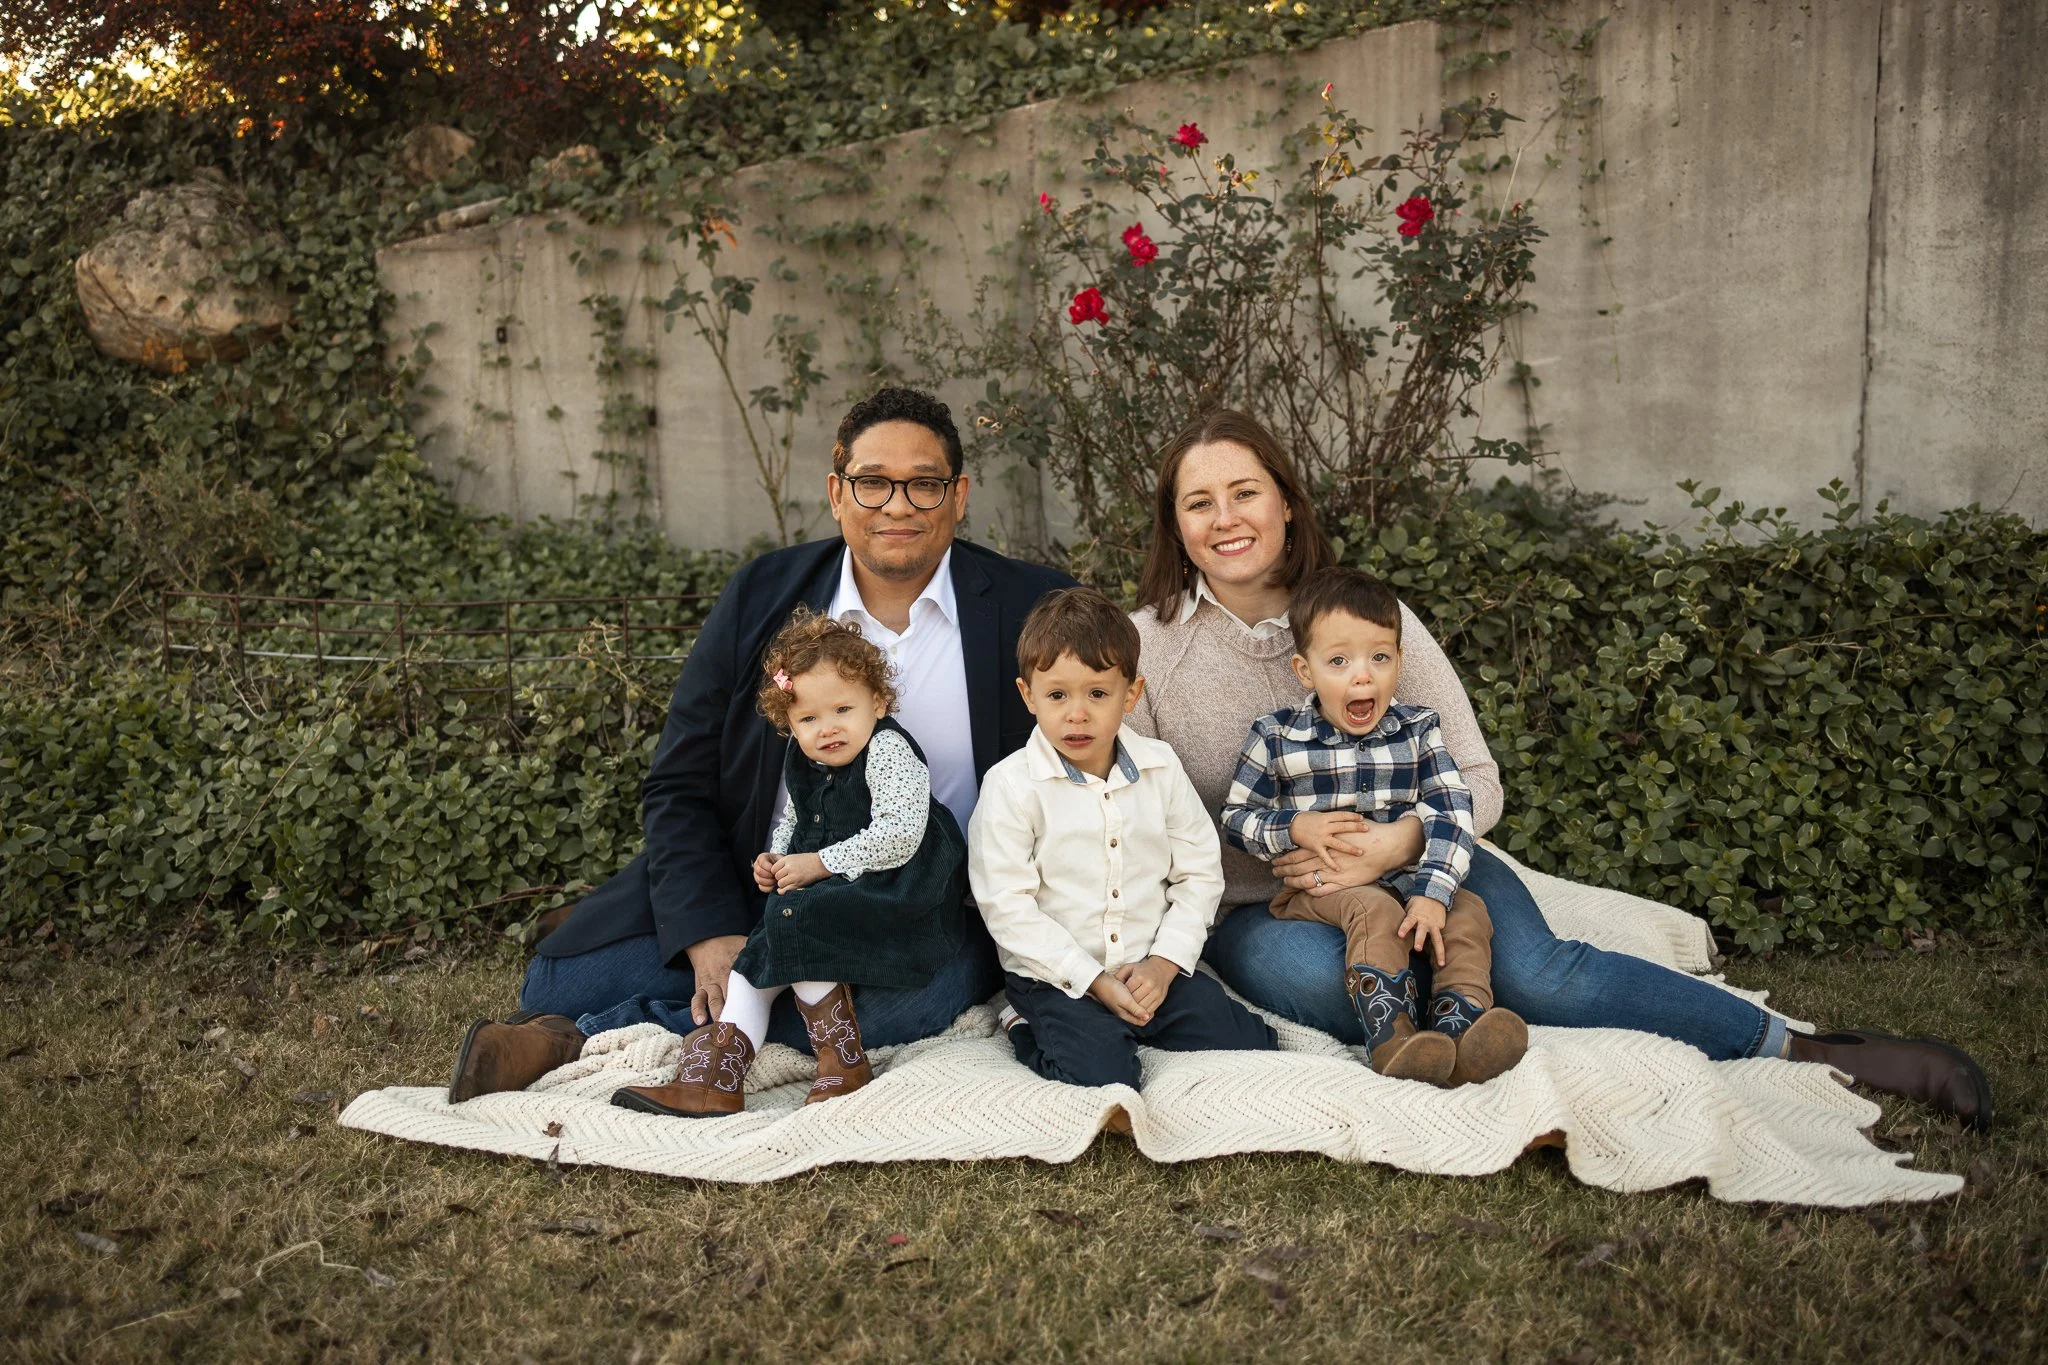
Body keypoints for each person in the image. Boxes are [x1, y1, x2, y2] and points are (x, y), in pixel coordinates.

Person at [1126, 408, 1993, 1130]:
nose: (1226, 517)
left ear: (1285, 502)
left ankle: (1803, 1046)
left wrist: (1400, 844)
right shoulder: (1147, 650)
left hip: (1429, 860)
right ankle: (1458, 1013)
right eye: (1200, 502)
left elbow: (1477, 776)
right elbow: (1138, 820)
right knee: (1330, 981)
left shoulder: (1370, 617)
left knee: (1539, 972)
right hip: (1266, 903)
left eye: (1245, 491)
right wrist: (1296, 846)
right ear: (1177, 525)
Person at [446, 387, 1073, 1104]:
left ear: (958, 496)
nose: (897, 506)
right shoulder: (763, 593)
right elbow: (678, 781)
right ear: (836, 493)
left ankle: (577, 1038)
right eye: (872, 482)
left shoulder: (1032, 607)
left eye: (923, 484)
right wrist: (709, 932)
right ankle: (670, 999)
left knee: (907, 1006)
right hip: (763, 880)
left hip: (913, 903)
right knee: (560, 976)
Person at [611, 611, 967, 1116]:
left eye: (843, 709)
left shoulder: (888, 750)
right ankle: (717, 1078)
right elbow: (795, 817)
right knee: (754, 961)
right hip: (826, 880)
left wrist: (818, 863)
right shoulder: (805, 758)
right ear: (789, 723)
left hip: (896, 884)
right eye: (809, 719)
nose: (828, 728)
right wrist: (777, 858)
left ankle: (843, 1062)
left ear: (878, 702)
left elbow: (900, 835)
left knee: (800, 927)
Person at [1221, 566, 1526, 1087]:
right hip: (1319, 890)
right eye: (1338, 661)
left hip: (1407, 876)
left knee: (1467, 911)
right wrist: (1296, 827)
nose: (1362, 676)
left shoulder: (1418, 731)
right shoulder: (1276, 737)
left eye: (1379, 658)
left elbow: (1453, 809)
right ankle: (1392, 1037)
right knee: (1374, 908)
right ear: (1304, 670)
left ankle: (1461, 1030)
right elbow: (1236, 817)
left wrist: (1432, 892)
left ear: (1399, 662)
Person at [968, 588, 1278, 1089]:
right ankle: (1023, 1023)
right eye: (1057, 695)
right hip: (1059, 978)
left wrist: (1164, 963)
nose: (1077, 713)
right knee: (1104, 1072)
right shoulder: (1010, 785)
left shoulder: (1161, 766)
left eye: (1097, 693)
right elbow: (1006, 906)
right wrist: (1092, 980)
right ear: (1028, 695)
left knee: (1251, 1041)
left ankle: (1137, 1014)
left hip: (1147, 967)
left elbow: (1200, 872)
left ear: (1131, 695)